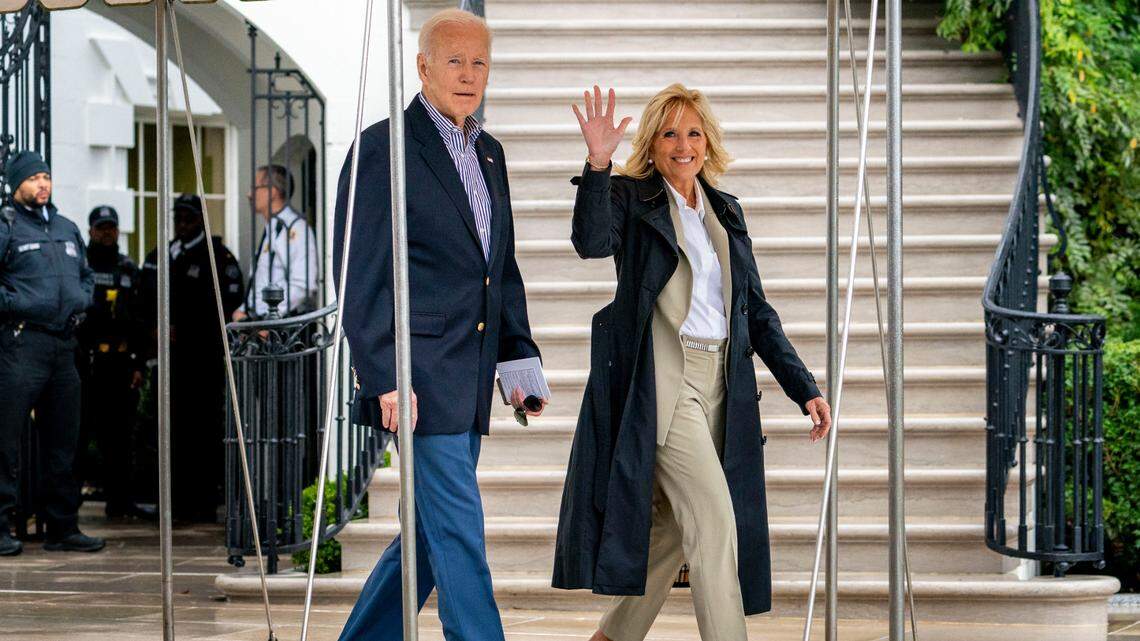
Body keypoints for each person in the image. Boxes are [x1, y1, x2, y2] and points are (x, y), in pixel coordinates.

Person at [552, 85, 834, 640]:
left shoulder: (725, 211)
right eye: (670, 133)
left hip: (724, 382)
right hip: (664, 380)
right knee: (713, 519)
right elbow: (589, 242)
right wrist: (597, 164)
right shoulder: (633, 198)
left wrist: (804, 388)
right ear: (653, 143)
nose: (684, 145)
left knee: (672, 531)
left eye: (694, 133)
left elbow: (756, 310)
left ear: (708, 141)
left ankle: (610, 638)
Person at [333, 9, 546, 641]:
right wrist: (383, 376)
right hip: (418, 377)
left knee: (429, 532)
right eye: (454, 60)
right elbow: (360, 276)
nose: (469, 73)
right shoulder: (383, 148)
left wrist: (518, 359)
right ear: (423, 66)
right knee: (456, 526)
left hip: (472, 374)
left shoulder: (488, 151)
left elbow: (498, 267)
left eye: (479, 61)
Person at [0, 150, 104, 555]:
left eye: (46, 176)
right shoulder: (7, 225)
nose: (42, 183)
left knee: (64, 440)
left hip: (63, 346)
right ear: (16, 184)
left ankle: (62, 527)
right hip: (21, 344)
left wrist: (81, 300)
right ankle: (2, 527)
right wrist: (14, 304)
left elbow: (87, 275)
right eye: (33, 178)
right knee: (5, 440)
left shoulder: (65, 226)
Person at [139, 193, 244, 522]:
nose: (182, 224)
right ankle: (172, 501)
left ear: (200, 219)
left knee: (202, 429)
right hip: (169, 362)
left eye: (188, 218)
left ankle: (201, 501)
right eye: (178, 218)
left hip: (202, 361)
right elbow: (142, 298)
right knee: (169, 428)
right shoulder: (162, 254)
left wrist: (185, 330)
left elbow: (225, 307)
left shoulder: (217, 256)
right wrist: (153, 330)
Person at [76, 205, 153, 520]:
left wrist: (137, 363)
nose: (107, 233)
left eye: (112, 227)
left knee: (120, 437)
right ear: (91, 231)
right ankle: (67, 505)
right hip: (89, 360)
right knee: (78, 433)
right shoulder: (81, 265)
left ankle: (120, 501)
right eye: (101, 227)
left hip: (120, 362)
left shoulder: (127, 268)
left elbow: (139, 317)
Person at [232, 164, 318, 321]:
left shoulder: (294, 228)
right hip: (262, 325)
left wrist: (269, 318)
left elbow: (303, 284)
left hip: (282, 329)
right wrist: (244, 310)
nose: (249, 194)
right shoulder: (272, 227)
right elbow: (261, 283)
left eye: (255, 187)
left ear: (272, 192)